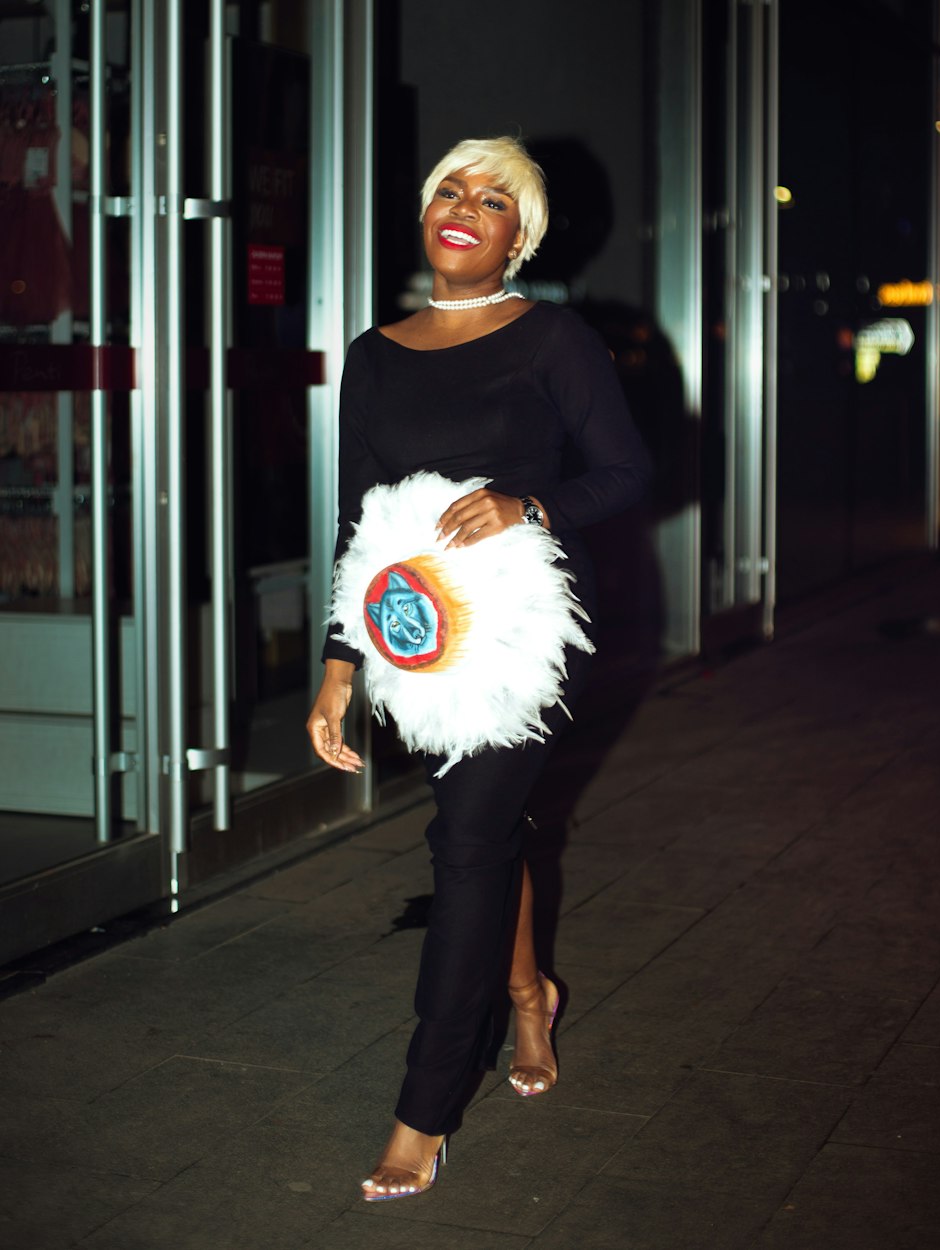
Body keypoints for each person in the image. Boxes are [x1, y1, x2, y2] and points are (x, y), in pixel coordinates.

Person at [306, 136, 652, 1201]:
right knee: (483, 830)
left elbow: (627, 471)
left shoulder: (553, 339)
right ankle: (528, 988)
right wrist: (337, 663)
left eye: (493, 199)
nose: (465, 207)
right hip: (417, 633)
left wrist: (526, 502)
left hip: (527, 629)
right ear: (425, 216)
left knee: (465, 837)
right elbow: (358, 518)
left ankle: (423, 1111)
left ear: (519, 236)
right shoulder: (375, 352)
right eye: (448, 190)